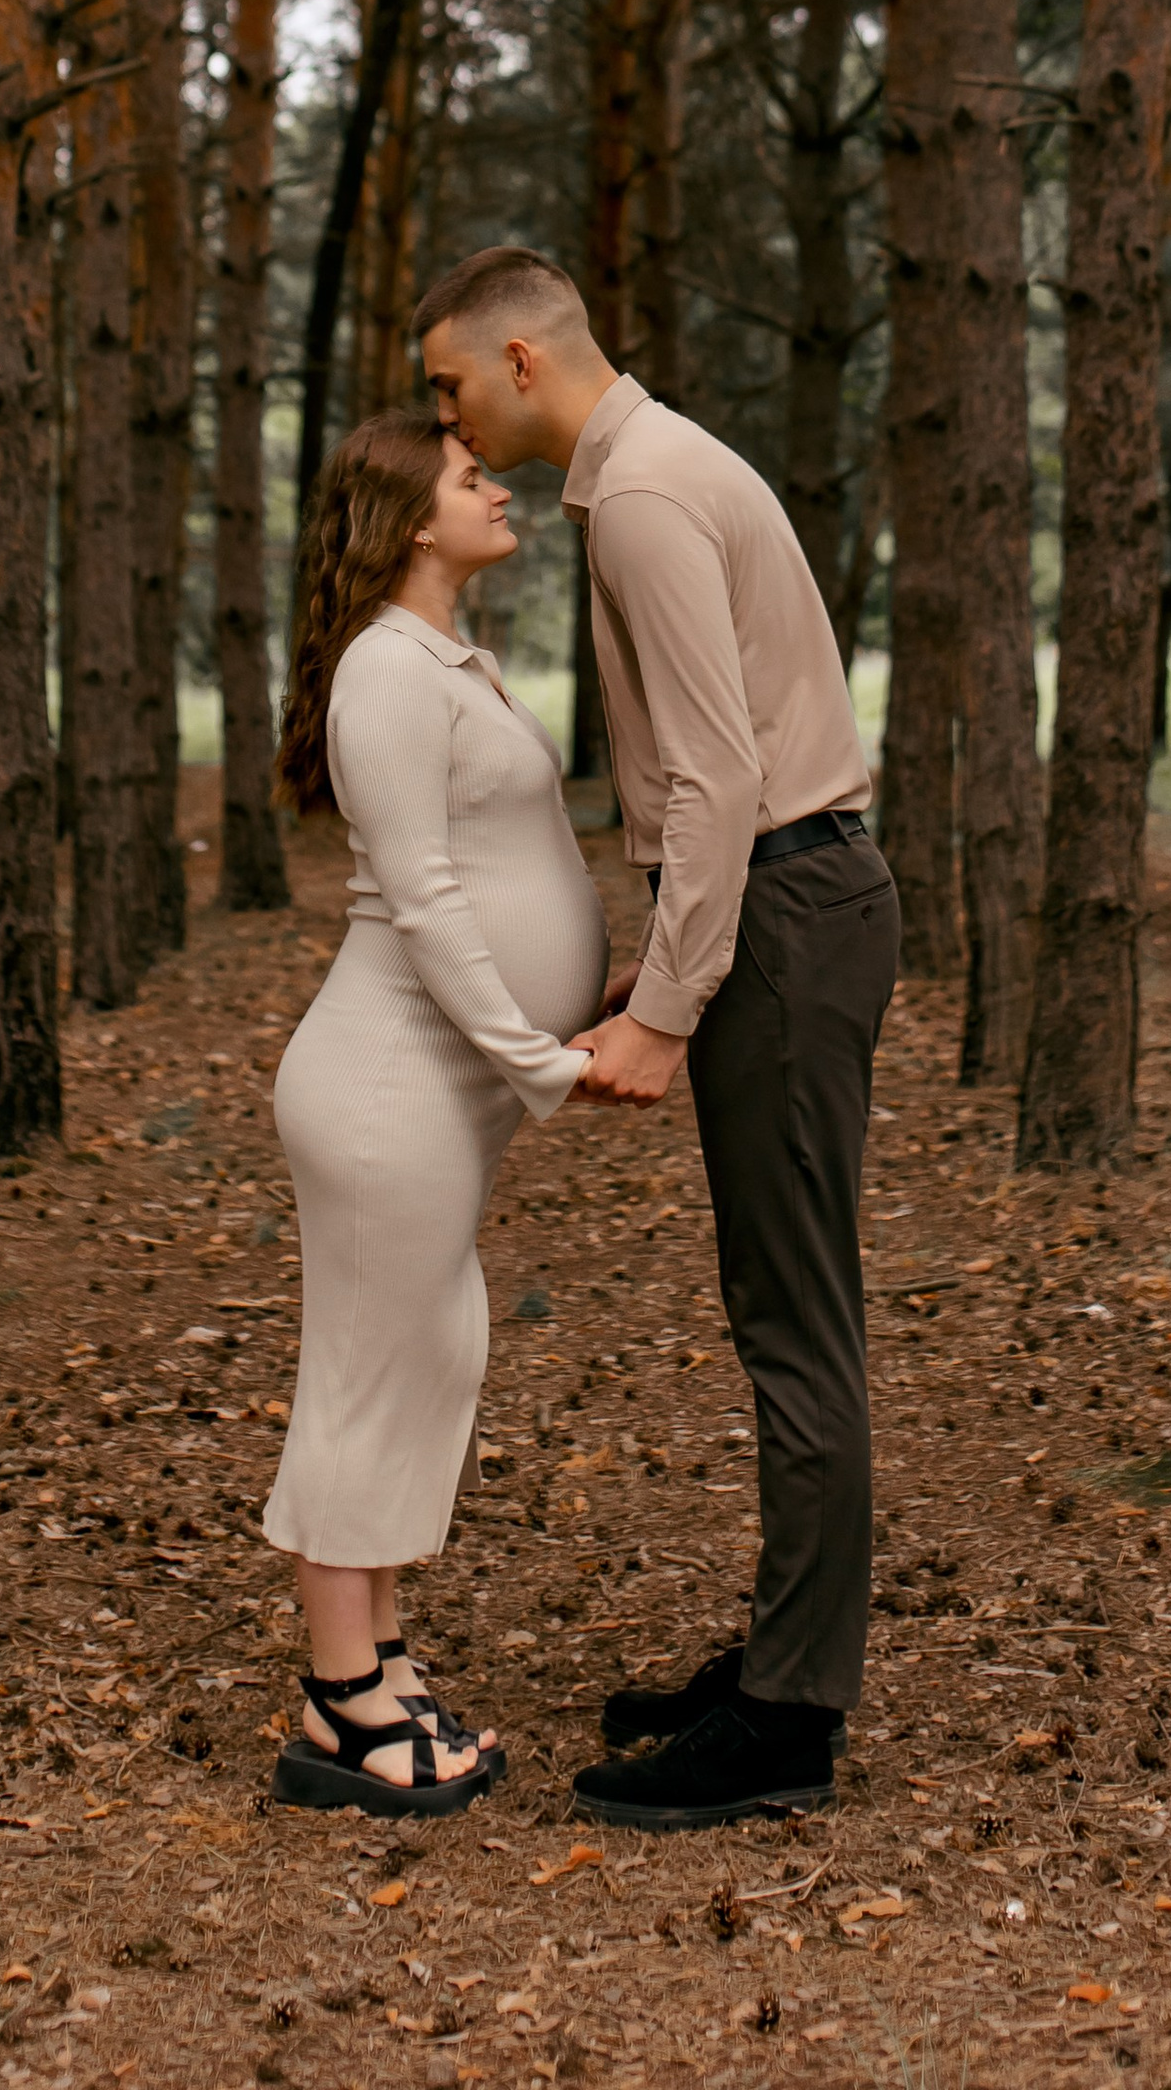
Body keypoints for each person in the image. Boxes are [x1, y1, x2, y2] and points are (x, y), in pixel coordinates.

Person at [415, 247, 897, 1832]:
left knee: (795, 1314)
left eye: (452, 385)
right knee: (777, 1296)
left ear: (523, 362)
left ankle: (790, 1718)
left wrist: (667, 1013)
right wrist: (660, 979)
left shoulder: (641, 495)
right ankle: (784, 1655)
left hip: (789, 907)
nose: (450, 421)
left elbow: (721, 782)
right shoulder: (650, 469)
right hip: (783, 905)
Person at [261, 409, 610, 1816]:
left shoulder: (441, 659)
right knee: (365, 1374)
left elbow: (497, 863)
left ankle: (381, 1660)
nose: (500, 489)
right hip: (386, 1084)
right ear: (413, 517)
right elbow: (423, 897)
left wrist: (588, 988)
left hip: (433, 1092)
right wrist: (544, 1056)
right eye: (475, 479)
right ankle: (340, 1709)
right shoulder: (386, 673)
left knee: (428, 1358)